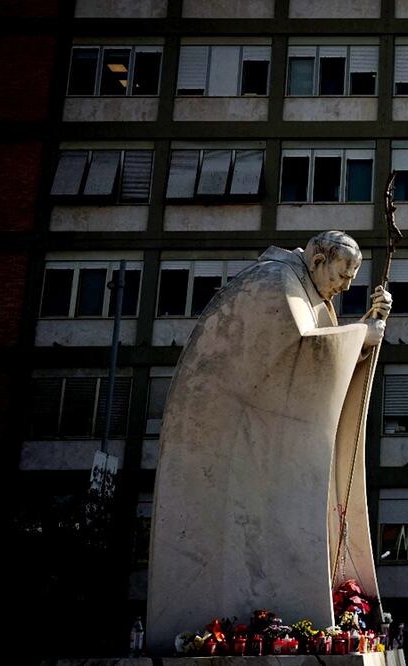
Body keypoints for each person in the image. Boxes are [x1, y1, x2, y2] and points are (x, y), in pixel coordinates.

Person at [147, 231, 391, 653]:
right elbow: (300, 352)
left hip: (262, 445)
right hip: (231, 448)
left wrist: (366, 334)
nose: (346, 285)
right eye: (342, 274)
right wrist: (361, 334)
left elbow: (318, 364)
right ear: (318, 260)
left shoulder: (309, 292)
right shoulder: (274, 282)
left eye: (352, 278)